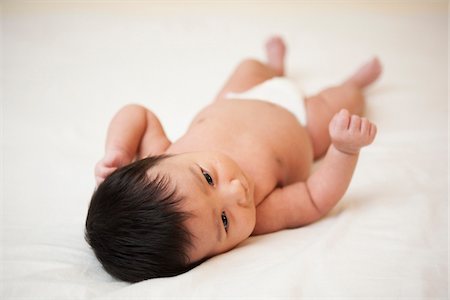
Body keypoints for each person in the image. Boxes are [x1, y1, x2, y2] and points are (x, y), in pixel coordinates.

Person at [85, 36, 382, 282]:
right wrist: (344, 150)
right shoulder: (260, 214)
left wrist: (118, 150)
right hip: (302, 123)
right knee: (344, 101)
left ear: (152, 161)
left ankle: (274, 68)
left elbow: (138, 113)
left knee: (249, 66)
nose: (238, 192)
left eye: (208, 178)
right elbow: (315, 198)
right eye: (225, 221)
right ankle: (355, 83)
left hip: (239, 95)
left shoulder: (164, 154)